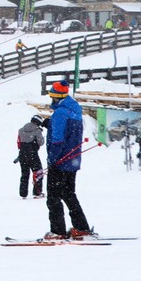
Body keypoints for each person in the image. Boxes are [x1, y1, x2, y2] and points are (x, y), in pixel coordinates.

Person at [44, 81, 91, 240]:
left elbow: (58, 140)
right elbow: (70, 132)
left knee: (53, 197)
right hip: (73, 160)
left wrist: (52, 159)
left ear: (55, 97)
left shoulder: (60, 113)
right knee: (69, 194)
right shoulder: (75, 110)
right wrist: (49, 124)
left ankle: (57, 231)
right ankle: (81, 227)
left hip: (60, 161)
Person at [16, 115, 46, 199]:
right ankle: (37, 192)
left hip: (22, 154)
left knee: (24, 174)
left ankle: (23, 194)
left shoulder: (21, 130)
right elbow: (41, 143)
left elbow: (18, 143)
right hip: (33, 154)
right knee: (38, 173)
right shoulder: (37, 130)